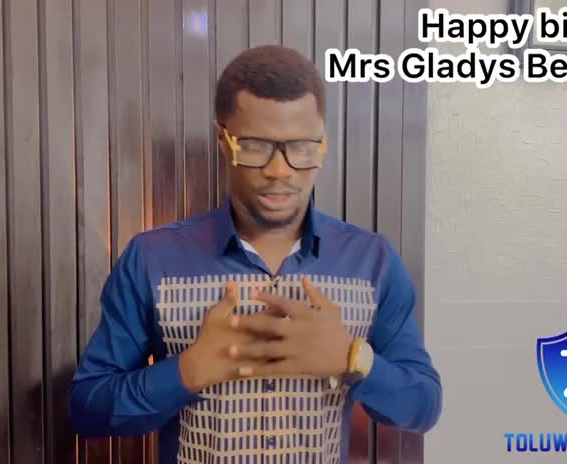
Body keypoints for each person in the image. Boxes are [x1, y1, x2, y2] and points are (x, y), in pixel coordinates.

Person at [69, 44, 442, 463]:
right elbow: (87, 407)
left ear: (322, 144)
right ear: (223, 140)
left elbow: (423, 405)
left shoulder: (373, 263)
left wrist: (351, 358)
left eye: (301, 146)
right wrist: (187, 371)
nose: (279, 170)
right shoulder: (152, 259)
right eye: (254, 145)